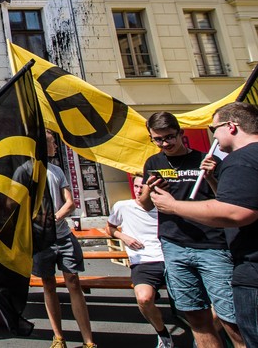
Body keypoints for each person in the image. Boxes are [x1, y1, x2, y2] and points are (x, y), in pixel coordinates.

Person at [151, 103, 258, 346]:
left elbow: (234, 208)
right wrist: (150, 194)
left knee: (233, 319)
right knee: (195, 316)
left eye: (169, 137)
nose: (165, 143)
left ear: (180, 134)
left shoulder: (216, 160)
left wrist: (209, 179)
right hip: (175, 244)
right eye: (158, 139)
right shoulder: (153, 163)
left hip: (212, 246)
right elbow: (146, 203)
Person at [33, 130, 95, 348]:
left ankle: (88, 340)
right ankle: (58, 337)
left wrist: (55, 218)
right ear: (42, 145)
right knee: (48, 284)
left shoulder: (56, 170)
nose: (56, 147)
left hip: (62, 235)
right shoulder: (27, 171)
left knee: (73, 281)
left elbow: (70, 202)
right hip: (41, 240)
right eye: (52, 143)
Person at [107, 176, 171, 348]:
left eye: (143, 186)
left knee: (199, 304)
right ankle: (163, 334)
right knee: (143, 299)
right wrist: (124, 237)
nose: (138, 190)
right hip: (143, 262)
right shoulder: (123, 206)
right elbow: (110, 228)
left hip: (171, 258)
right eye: (136, 186)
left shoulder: (165, 206)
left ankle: (202, 336)